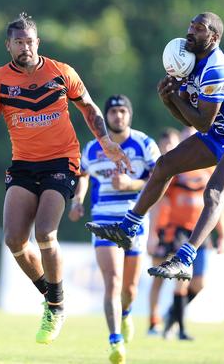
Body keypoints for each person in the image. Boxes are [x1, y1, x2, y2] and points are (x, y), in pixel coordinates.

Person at [0, 12, 131, 349]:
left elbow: (89, 110)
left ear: (37, 43)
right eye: (18, 42)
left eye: (30, 42)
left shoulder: (61, 72)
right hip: (23, 165)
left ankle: (54, 306)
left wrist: (106, 144)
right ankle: (54, 297)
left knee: (45, 232)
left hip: (62, 161)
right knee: (14, 239)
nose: (25, 47)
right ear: (8, 46)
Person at [86, 11, 224, 281]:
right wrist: (169, 101)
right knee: (165, 165)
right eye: (191, 25)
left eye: (199, 28)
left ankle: (185, 259)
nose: (191, 31)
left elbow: (204, 123)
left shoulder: (214, 68)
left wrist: (175, 98)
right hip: (220, 132)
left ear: (214, 37)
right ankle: (127, 228)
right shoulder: (189, 61)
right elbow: (188, 118)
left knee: (214, 194)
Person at [68, 94, 159, 362]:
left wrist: (131, 184)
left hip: (135, 221)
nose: (118, 116)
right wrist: (77, 200)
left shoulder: (145, 144)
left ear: (129, 115)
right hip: (104, 220)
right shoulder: (92, 148)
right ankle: (115, 340)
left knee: (129, 290)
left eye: (122, 111)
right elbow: (82, 176)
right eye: (113, 112)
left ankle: (127, 313)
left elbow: (159, 179)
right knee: (113, 281)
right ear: (105, 117)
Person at [151, 128, 224, 340]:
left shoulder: (211, 169)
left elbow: (218, 204)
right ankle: (181, 329)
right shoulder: (177, 170)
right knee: (182, 279)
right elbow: (160, 201)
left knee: (199, 283)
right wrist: (155, 231)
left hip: (201, 231)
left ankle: (172, 315)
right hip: (179, 231)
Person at [146, 128, 180, 334]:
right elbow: (152, 204)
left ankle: (175, 319)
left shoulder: (186, 171)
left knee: (182, 280)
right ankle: (153, 321)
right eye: (165, 144)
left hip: (181, 231)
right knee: (158, 278)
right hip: (161, 230)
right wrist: (151, 233)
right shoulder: (157, 171)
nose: (168, 148)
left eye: (172, 144)